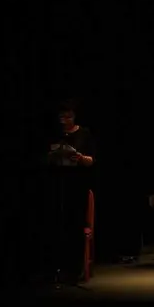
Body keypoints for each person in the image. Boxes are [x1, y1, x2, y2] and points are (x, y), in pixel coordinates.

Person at [46, 103, 96, 283]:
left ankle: (75, 268)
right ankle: (57, 267)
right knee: (57, 225)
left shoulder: (84, 134)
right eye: (61, 117)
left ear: (74, 116)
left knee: (75, 225)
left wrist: (81, 158)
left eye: (67, 117)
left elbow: (91, 161)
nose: (64, 121)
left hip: (78, 186)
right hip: (58, 185)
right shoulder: (57, 134)